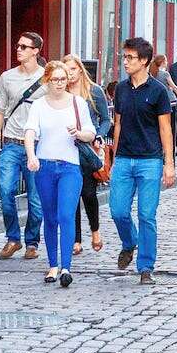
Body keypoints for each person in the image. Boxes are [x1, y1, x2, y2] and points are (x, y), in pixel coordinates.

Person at [22, 61, 97, 288]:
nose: (59, 84)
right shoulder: (39, 105)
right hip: (45, 166)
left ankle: (66, 267)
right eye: (54, 79)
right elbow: (30, 132)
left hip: (70, 167)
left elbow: (90, 132)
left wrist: (80, 133)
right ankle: (53, 265)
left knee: (66, 215)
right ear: (47, 81)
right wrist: (31, 156)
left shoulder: (78, 103)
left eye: (63, 79)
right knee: (50, 216)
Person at [108, 37, 176, 284]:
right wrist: (114, 159)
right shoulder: (121, 90)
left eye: (130, 58)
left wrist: (169, 164)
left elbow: (165, 129)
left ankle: (145, 266)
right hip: (124, 159)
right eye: (124, 57)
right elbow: (118, 124)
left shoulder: (158, 90)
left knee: (147, 215)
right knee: (118, 211)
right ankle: (129, 242)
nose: (125, 62)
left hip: (150, 161)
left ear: (144, 61)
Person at [0, 31, 47, 262]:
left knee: (36, 198)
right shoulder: (7, 77)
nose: (19, 49)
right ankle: (12, 238)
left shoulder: (47, 77)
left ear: (35, 51)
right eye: (18, 46)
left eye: (24, 46)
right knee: (5, 191)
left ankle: (32, 241)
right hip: (12, 143)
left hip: (38, 145)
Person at [65, 55, 109, 254]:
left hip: (87, 148)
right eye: (66, 70)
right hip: (66, 148)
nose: (70, 74)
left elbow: (106, 119)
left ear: (80, 70)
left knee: (89, 193)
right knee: (72, 194)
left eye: (73, 69)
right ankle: (76, 239)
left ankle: (95, 230)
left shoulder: (94, 91)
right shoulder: (61, 92)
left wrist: (99, 135)